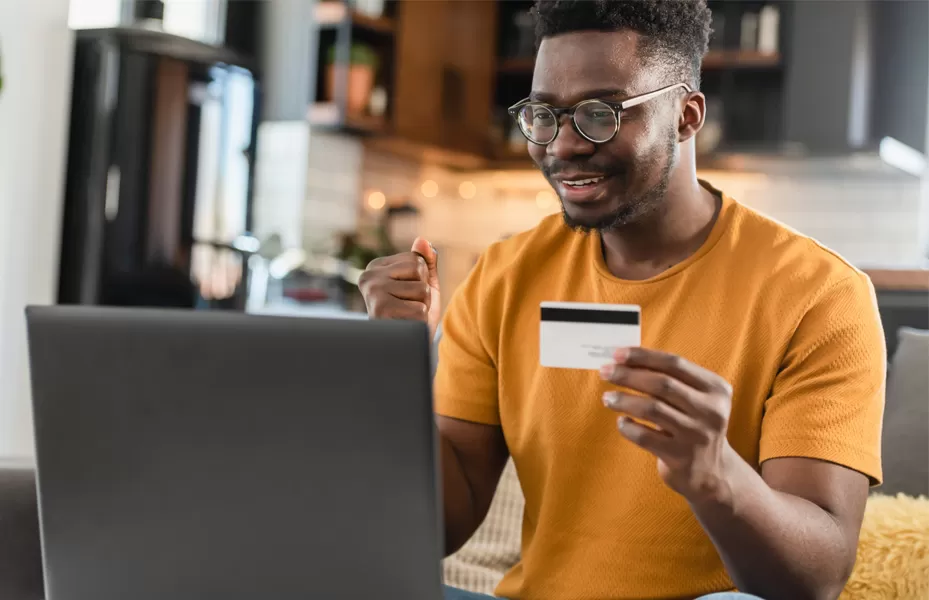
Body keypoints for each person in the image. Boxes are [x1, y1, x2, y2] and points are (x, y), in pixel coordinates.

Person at [358, 1, 885, 599]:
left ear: (686, 116)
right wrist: (392, 364)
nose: (562, 145)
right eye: (543, 115)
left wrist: (716, 476)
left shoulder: (819, 295)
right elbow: (443, 527)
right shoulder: (502, 277)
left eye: (600, 113)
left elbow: (816, 578)